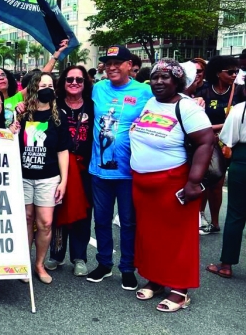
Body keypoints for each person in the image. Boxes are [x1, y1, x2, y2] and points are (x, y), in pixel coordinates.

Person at [130, 59, 214, 312]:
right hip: (143, 184)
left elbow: (205, 143)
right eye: (155, 77)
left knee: (178, 239)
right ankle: (155, 279)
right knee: (151, 236)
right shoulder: (150, 103)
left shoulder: (188, 108)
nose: (158, 82)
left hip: (174, 184)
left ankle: (180, 289)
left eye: (165, 77)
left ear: (178, 81)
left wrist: (193, 182)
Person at [87, 45, 152, 291]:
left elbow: (168, 104)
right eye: (108, 63)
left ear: (129, 65)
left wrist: (193, 98)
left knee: (128, 222)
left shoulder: (144, 91)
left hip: (128, 172)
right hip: (99, 171)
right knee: (101, 220)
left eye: (118, 62)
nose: (111, 67)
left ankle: (127, 268)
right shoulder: (98, 89)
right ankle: (104, 264)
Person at [18, 72, 70, 284]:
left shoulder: (59, 116)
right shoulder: (21, 113)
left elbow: (63, 151)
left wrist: (63, 181)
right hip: (23, 177)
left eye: (49, 84)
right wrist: (16, 112)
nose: (46, 88)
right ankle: (23, 262)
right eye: (41, 85)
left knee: (46, 222)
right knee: (26, 220)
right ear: (33, 88)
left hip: (48, 178)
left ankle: (39, 264)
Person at [46, 66, 94, 277]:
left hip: (85, 168)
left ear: (85, 83)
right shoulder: (52, 106)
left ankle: (79, 257)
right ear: (63, 82)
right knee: (56, 210)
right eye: (69, 79)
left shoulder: (94, 106)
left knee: (82, 213)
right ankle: (56, 255)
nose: (74, 83)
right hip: (58, 167)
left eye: (79, 80)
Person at [195, 55, 246, 235]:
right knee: (209, 181)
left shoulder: (241, 91)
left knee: (218, 186)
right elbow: (197, 122)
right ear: (217, 73)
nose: (234, 75)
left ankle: (215, 222)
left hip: (234, 144)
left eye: (237, 71)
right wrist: (222, 126)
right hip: (209, 142)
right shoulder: (204, 93)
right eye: (230, 71)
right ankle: (201, 217)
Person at [207, 99, 246, 279]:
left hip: (242, 160)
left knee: (235, 214)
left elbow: (227, 139)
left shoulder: (240, 108)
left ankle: (226, 265)